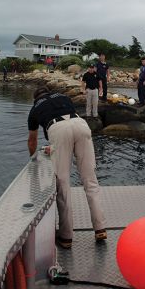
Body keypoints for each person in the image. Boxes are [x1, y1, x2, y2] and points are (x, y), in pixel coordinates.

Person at [27, 85, 107, 249]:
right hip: (81, 125)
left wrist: (33, 160)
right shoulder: (63, 97)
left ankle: (66, 237)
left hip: (57, 130)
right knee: (90, 180)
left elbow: (32, 140)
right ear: (49, 92)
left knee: (63, 184)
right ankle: (100, 228)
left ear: (36, 98)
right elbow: (68, 124)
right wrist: (55, 146)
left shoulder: (35, 109)